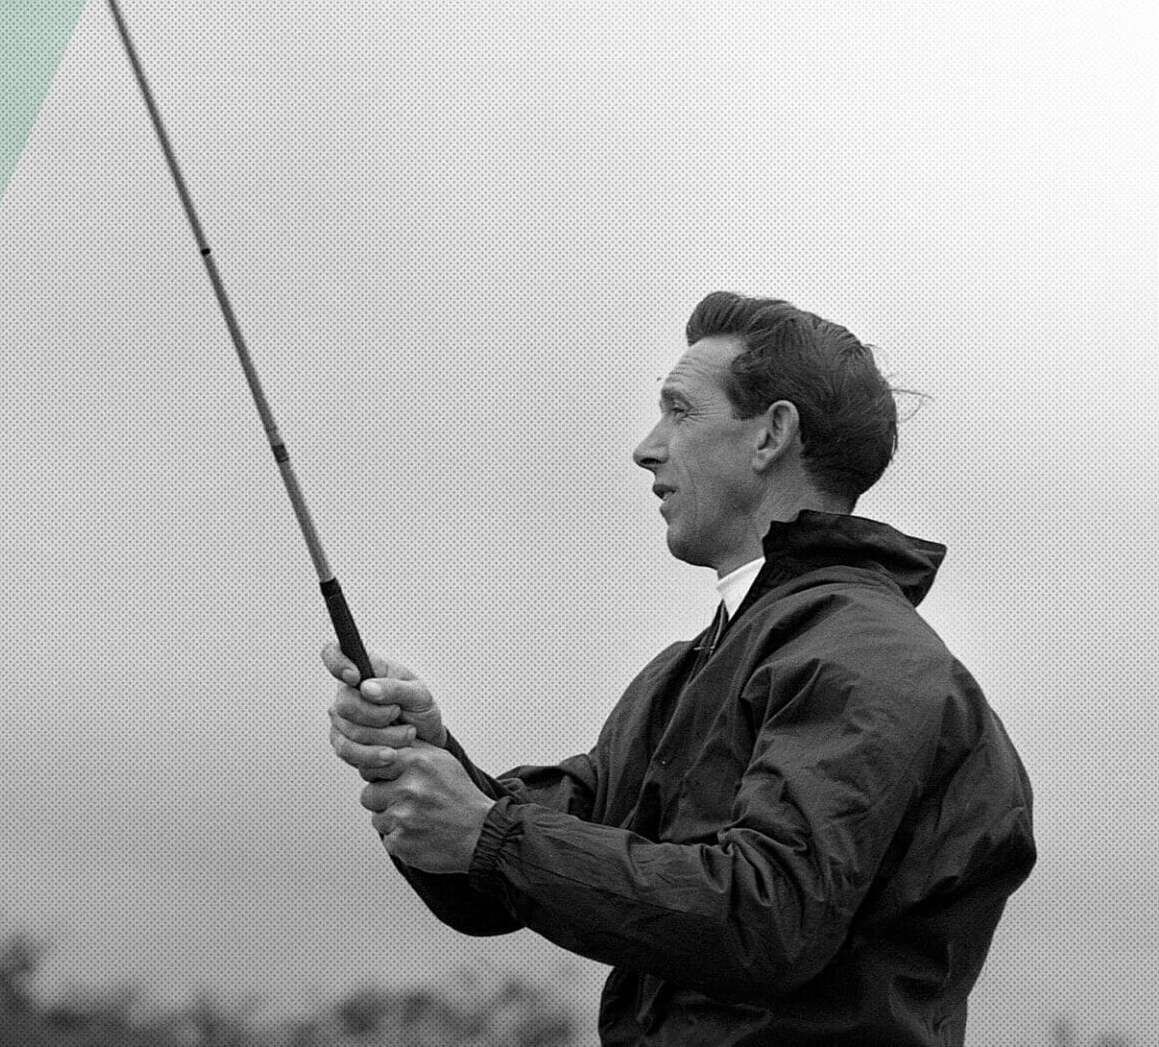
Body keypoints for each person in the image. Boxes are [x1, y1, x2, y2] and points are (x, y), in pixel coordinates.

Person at [324, 291, 1035, 1046]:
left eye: (679, 411)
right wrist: (425, 757)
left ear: (772, 435)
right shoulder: (690, 670)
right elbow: (504, 881)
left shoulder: (866, 656)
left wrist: (487, 834)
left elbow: (767, 917)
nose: (647, 448)